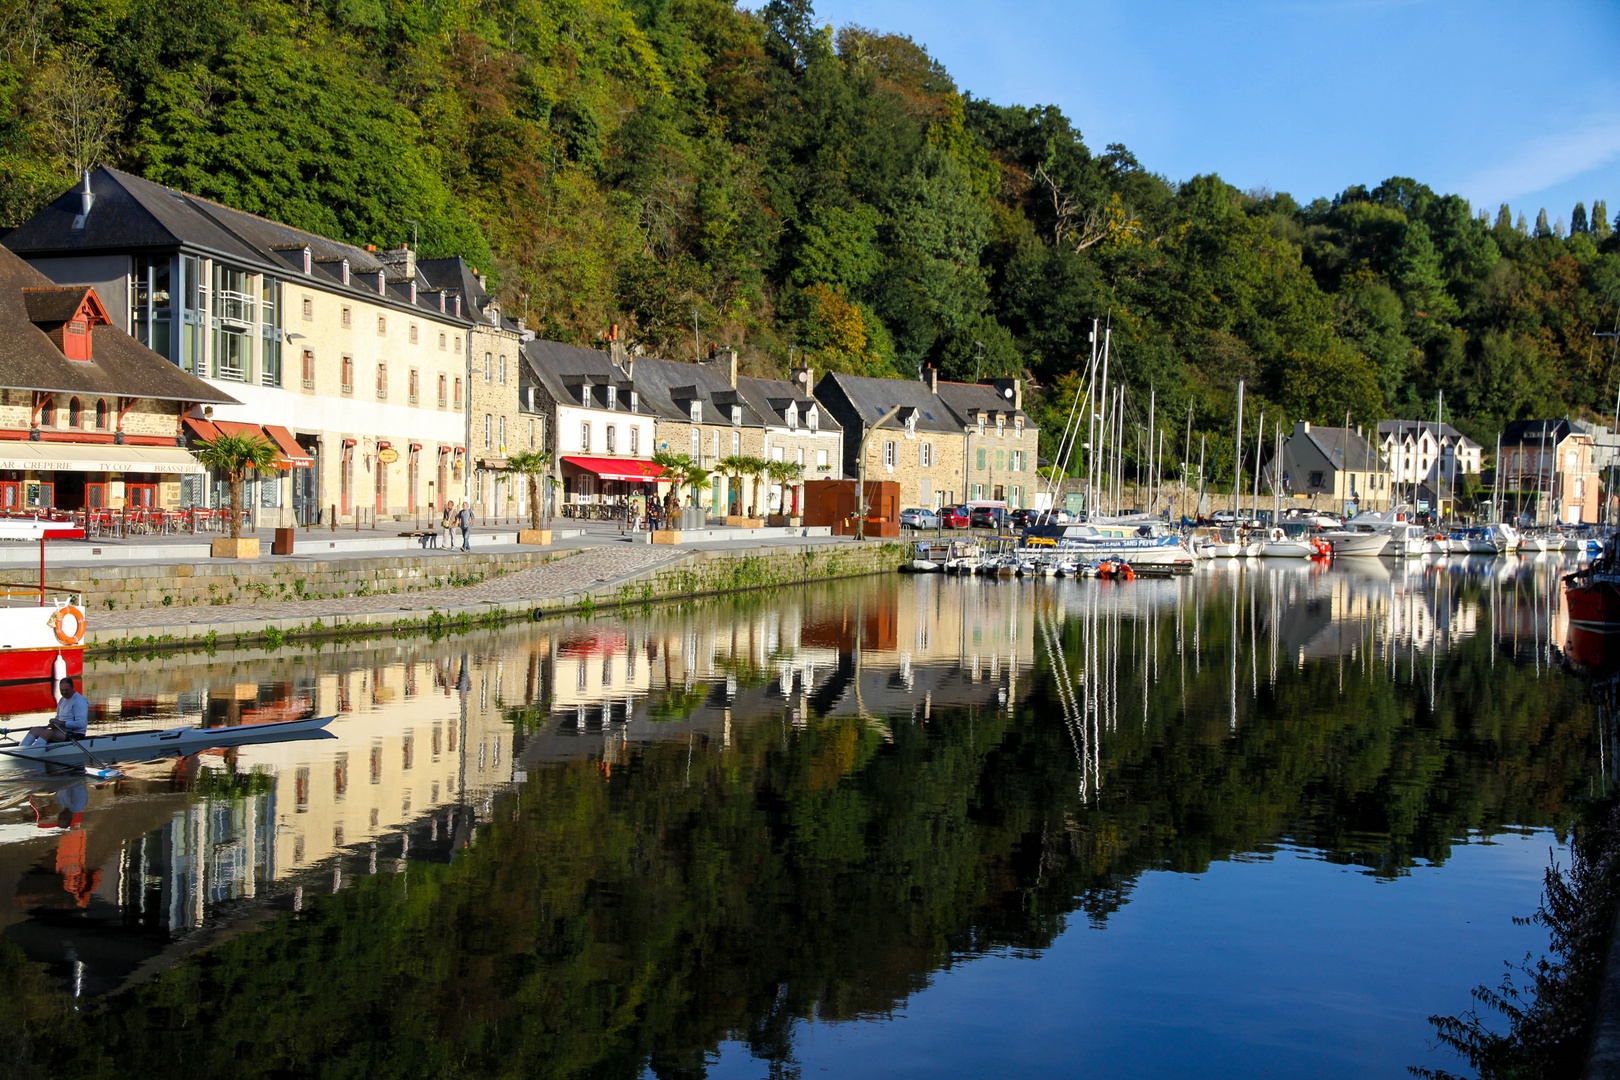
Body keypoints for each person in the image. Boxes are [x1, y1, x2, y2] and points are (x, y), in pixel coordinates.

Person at [22, 678, 89, 746]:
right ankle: (20, 749)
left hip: (75, 735)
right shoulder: (62, 700)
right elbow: (58, 717)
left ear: (72, 688)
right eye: (62, 690)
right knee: (34, 730)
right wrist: (54, 723)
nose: (64, 692)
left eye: (66, 690)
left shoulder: (79, 701)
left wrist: (60, 723)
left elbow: (81, 723)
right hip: (62, 731)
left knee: (47, 732)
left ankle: (33, 751)